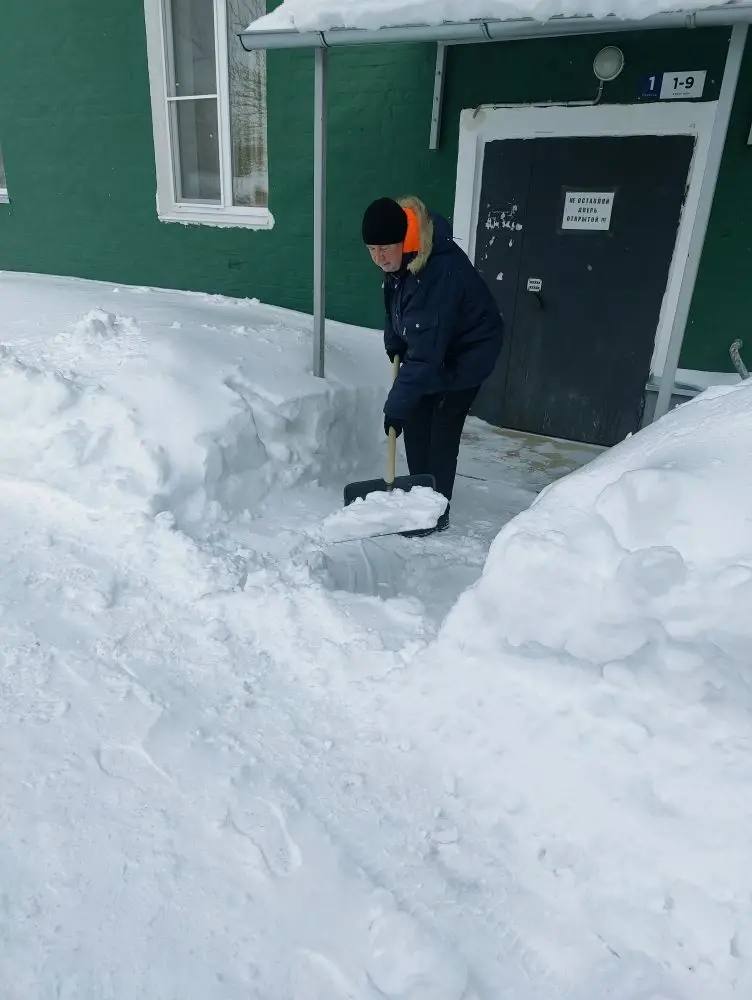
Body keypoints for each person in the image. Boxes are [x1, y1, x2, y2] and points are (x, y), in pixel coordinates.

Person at [362, 195, 504, 535]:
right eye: (372, 249)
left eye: (385, 248)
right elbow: (394, 303)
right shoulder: (403, 261)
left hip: (466, 354)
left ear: (404, 240)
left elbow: (426, 355)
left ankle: (434, 509)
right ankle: (418, 494)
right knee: (416, 415)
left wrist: (395, 406)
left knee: (441, 425)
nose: (379, 258)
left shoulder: (436, 272)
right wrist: (394, 339)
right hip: (436, 343)